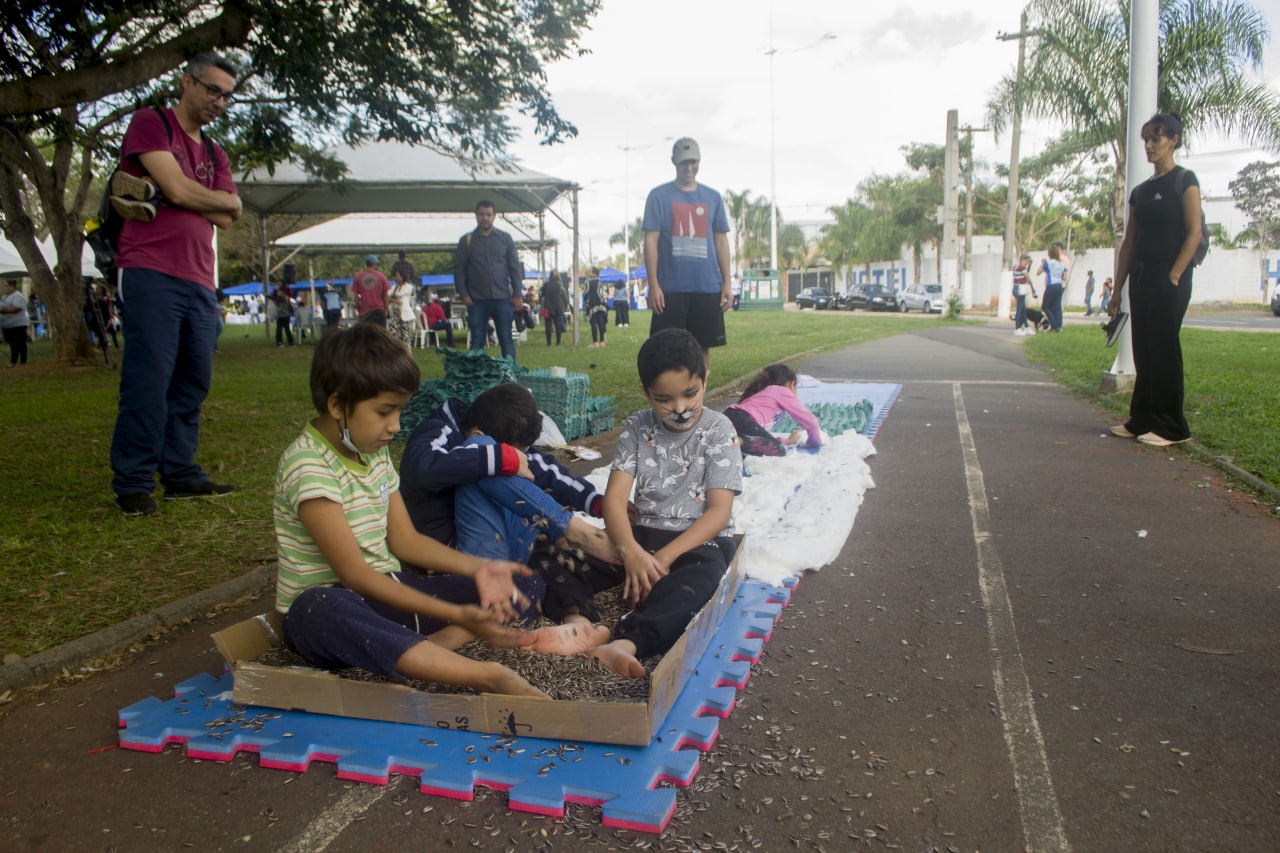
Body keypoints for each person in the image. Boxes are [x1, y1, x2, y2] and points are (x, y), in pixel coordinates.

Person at [273, 324, 548, 696]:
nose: (395, 426)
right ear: (337, 404)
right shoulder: (308, 465)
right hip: (332, 613)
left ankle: (431, 648)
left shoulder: (373, 452)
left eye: (399, 411)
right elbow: (355, 576)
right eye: (385, 411)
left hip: (386, 593)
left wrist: (483, 569)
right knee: (317, 607)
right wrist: (458, 612)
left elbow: (404, 541)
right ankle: (485, 675)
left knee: (522, 583)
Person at [108, 51, 243, 517]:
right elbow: (190, 193)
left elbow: (231, 214)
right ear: (186, 82)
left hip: (200, 280)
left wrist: (175, 192)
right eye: (212, 90)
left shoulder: (214, 152)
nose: (219, 102)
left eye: (226, 95)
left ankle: (180, 474)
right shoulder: (152, 123)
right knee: (149, 380)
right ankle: (133, 481)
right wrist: (187, 193)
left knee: (192, 381)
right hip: (149, 269)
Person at [586, 328, 743, 678]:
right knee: (569, 556)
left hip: (697, 542)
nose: (680, 409)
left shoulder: (720, 430)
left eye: (690, 394)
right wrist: (630, 552)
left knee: (700, 583)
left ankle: (627, 643)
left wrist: (660, 561)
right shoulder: (637, 427)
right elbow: (614, 500)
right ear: (646, 394)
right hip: (643, 535)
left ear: (706, 379)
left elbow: (719, 512)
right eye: (664, 400)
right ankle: (575, 619)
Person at [1108, 112, 1201, 448]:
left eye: (1156, 138)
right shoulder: (1141, 191)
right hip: (1142, 275)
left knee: (1163, 347)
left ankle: (1172, 426)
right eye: (1146, 139)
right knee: (1143, 349)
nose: (1148, 145)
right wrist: (1117, 287)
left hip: (1170, 276)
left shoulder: (1184, 180)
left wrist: (1175, 273)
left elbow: (1194, 231)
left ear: (1173, 139)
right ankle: (1142, 419)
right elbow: (1129, 242)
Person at [642, 137, 732, 362]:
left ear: (699, 161)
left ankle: (699, 395)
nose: (689, 168)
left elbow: (721, 241)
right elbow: (650, 241)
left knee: (702, 349)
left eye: (693, 162)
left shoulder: (713, 198)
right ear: (674, 162)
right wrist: (653, 285)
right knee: (666, 350)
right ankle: (670, 396)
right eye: (684, 162)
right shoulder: (658, 196)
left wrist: (727, 283)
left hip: (706, 287)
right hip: (670, 289)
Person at [455, 200, 524, 363]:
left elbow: (515, 268)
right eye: (481, 214)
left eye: (488, 214)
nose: (484, 218)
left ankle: (510, 376)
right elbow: (459, 269)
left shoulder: (505, 239)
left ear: (494, 216)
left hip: (502, 298)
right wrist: (463, 293)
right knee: (477, 341)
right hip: (476, 300)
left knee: (506, 340)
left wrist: (518, 294)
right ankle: (474, 378)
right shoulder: (466, 241)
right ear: (476, 215)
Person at [724, 363, 822, 457]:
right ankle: (732, 440)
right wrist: (814, 442)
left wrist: (787, 441)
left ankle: (726, 441)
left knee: (751, 453)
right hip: (741, 419)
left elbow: (760, 440)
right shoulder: (781, 390)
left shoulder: (763, 396)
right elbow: (809, 421)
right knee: (779, 450)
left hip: (729, 418)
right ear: (792, 384)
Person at [1036, 244, 1067, 331]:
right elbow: (1064, 277)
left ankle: (1054, 325)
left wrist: (1042, 264)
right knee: (1057, 307)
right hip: (1059, 285)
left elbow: (1038, 272)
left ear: (1049, 254)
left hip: (1051, 285)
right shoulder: (1062, 264)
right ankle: (1059, 325)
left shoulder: (1048, 263)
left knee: (1045, 306)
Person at [352, 255, 390, 326]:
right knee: (380, 335)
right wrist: (387, 309)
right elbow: (386, 295)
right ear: (374, 264)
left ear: (366, 264)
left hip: (365, 311)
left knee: (365, 335)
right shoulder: (382, 277)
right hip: (379, 311)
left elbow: (356, 296)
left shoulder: (358, 277)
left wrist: (357, 309)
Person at [1, 280, 29, 367]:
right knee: (12, 343)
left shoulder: (17, 296)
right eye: (3, 286)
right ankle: (14, 362)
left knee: (19, 342)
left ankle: (23, 361)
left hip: (18, 324)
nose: (4, 288)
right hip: (8, 324)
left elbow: (17, 308)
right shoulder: (5, 297)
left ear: (12, 286)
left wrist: (3, 310)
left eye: (6, 286)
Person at [1012, 252, 1036, 336]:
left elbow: (1025, 273)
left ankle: (1026, 326)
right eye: (1026, 261)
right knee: (1020, 309)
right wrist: (1032, 288)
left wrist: (1029, 266)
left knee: (1022, 309)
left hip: (1015, 288)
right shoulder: (1022, 268)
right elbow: (1027, 277)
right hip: (1020, 288)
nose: (1027, 263)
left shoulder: (1015, 267)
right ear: (1022, 259)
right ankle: (1017, 328)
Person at [584, 267, 608, 348]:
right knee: (601, 322)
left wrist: (585, 298)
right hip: (601, 304)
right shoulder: (600, 282)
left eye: (590, 271)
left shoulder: (588, 282)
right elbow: (602, 293)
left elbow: (586, 292)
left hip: (592, 304)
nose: (589, 272)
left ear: (594, 273)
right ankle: (602, 341)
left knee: (593, 323)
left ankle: (595, 342)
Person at [390, 269, 417, 342]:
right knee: (393, 334)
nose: (395, 278)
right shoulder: (395, 287)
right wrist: (395, 300)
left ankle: (407, 351)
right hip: (396, 314)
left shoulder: (409, 287)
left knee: (406, 336)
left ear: (402, 277)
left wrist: (393, 297)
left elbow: (400, 294)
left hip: (405, 315)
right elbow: (388, 295)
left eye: (397, 276)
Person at [540, 270, 565, 346]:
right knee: (558, 324)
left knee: (548, 324)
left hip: (548, 306)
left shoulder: (546, 284)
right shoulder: (559, 285)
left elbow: (542, 294)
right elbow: (562, 295)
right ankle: (558, 341)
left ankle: (549, 342)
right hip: (557, 306)